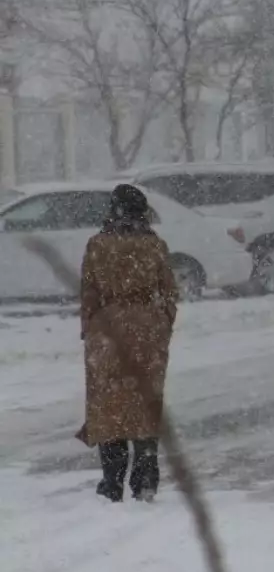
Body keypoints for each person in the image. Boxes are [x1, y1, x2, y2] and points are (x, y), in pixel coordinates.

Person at [80, 184, 178, 502]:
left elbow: (89, 293)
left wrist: (90, 329)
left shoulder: (97, 245)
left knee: (108, 407)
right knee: (145, 405)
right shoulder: (155, 246)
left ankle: (112, 482)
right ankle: (146, 478)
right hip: (147, 332)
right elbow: (169, 293)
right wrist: (162, 325)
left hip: (107, 332)